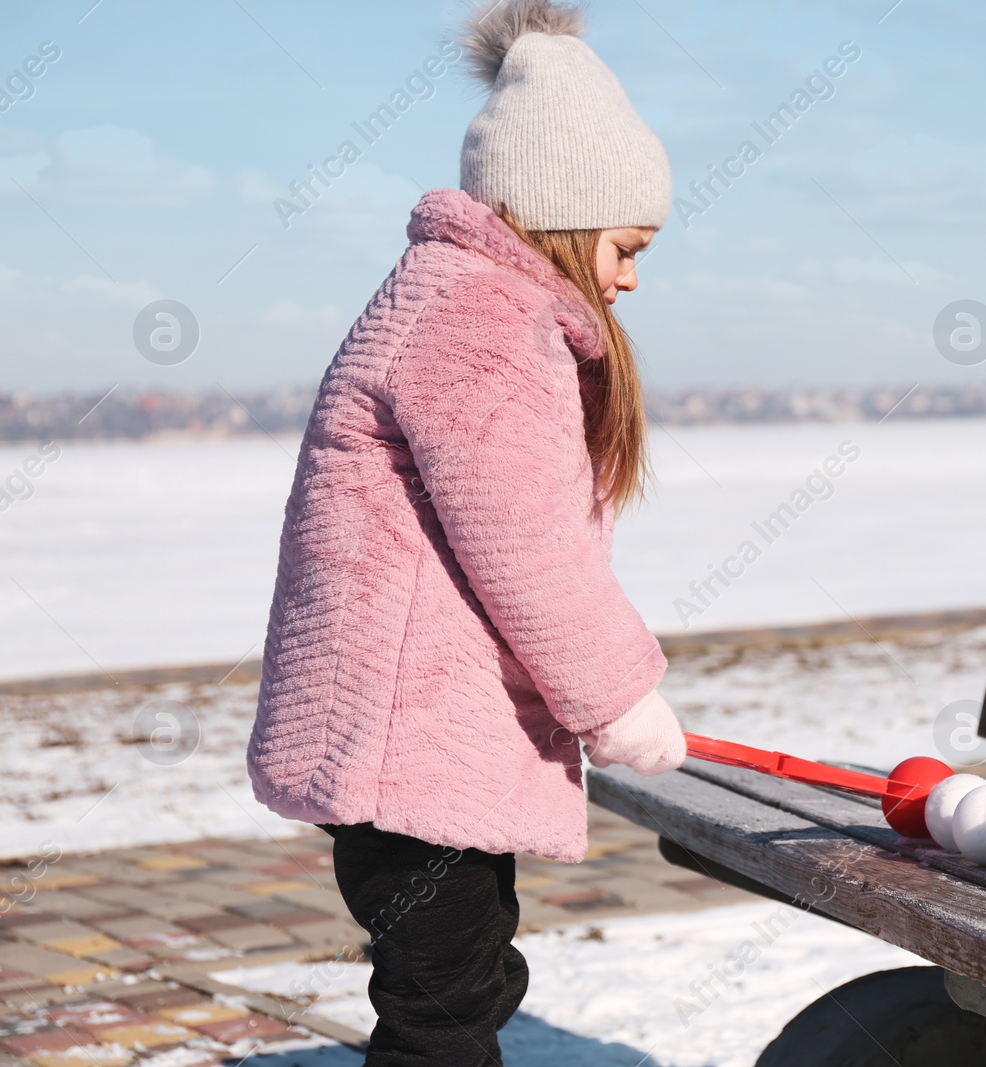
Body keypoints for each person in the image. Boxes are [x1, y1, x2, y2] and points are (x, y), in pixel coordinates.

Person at [245, 1, 685, 1061]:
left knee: (476, 972)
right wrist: (619, 694)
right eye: (626, 245)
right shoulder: (479, 320)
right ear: (565, 215)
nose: (632, 276)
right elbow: (525, 545)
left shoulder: (460, 300)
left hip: (418, 748)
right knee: (441, 1014)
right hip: (410, 754)